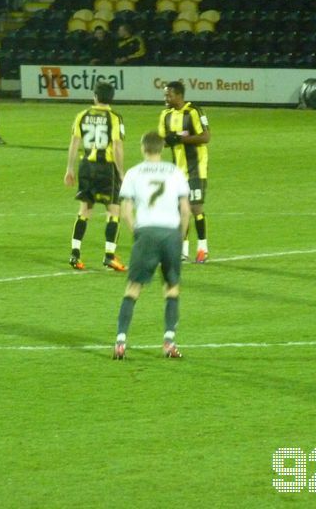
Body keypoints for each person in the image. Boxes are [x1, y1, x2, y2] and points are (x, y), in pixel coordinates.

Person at [112, 131, 191, 360]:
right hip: (170, 233)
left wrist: (136, 231)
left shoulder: (133, 173)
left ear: (143, 148)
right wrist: (180, 235)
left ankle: (120, 341)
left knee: (133, 289)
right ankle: (168, 342)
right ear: (162, 148)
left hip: (145, 232)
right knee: (171, 288)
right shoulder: (175, 172)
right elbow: (185, 210)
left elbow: (126, 211)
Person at [64, 81, 126, 272]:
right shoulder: (115, 118)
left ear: (95, 96)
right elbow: (116, 146)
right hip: (106, 168)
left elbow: (74, 143)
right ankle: (109, 256)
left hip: (86, 167)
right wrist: (121, 172)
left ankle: (75, 254)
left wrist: (70, 169)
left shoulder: (82, 116)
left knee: (84, 210)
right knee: (113, 211)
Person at [158, 80, 210, 263]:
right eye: (165, 94)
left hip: (196, 167)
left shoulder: (193, 111)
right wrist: (167, 140)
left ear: (179, 95)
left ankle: (203, 248)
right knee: (181, 209)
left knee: (196, 207)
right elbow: (163, 141)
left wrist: (179, 138)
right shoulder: (165, 115)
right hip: (177, 170)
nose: (166, 98)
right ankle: (183, 250)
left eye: (169, 95)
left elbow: (205, 136)